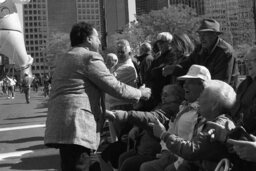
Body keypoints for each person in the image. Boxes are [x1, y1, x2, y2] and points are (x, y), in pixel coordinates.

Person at [44, 22, 151, 171]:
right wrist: (141, 93)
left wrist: (101, 112)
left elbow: (76, 93)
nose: (100, 41)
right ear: (88, 39)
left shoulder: (65, 58)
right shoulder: (89, 57)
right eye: (97, 37)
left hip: (62, 125)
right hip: (77, 126)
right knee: (81, 166)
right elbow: (114, 86)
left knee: (75, 164)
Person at [151, 79, 236, 171]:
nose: (198, 100)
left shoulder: (218, 125)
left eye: (203, 96)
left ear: (214, 105)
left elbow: (192, 151)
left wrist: (163, 135)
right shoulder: (212, 121)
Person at [141, 64, 210, 171]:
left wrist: (176, 165)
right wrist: (165, 151)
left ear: (203, 86)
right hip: (171, 154)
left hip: (185, 161)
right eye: (185, 82)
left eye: (190, 82)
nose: (185, 86)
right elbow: (171, 129)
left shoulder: (203, 112)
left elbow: (193, 149)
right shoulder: (183, 107)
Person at [104, 84, 184, 171]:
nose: (163, 97)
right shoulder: (162, 105)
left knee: (128, 163)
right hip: (142, 148)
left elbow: (152, 117)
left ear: (176, 97)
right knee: (123, 157)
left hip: (152, 153)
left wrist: (126, 115)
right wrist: (137, 127)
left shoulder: (171, 109)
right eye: (162, 95)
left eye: (166, 95)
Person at [162, 19, 237, 86]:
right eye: (200, 35)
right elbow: (188, 64)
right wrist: (173, 69)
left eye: (205, 35)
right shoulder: (199, 48)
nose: (201, 38)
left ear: (215, 35)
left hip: (222, 94)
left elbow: (221, 82)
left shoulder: (224, 52)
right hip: (206, 90)